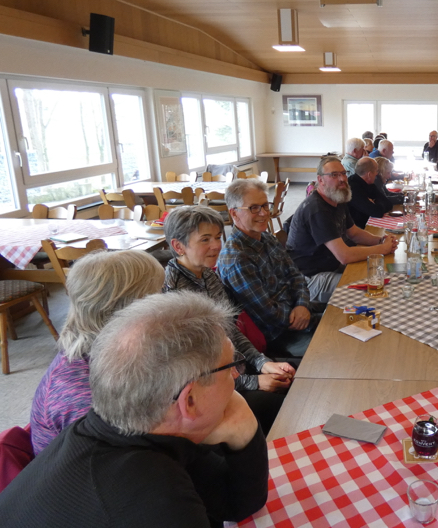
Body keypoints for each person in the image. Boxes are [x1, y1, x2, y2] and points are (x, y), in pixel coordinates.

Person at [0, 291, 270, 527]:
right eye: (230, 366)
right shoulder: (157, 502)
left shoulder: (139, 431)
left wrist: (244, 432)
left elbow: (235, 503)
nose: (236, 375)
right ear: (188, 401)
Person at [163, 205, 295, 432]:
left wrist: (262, 363)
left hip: (236, 369)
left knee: (296, 375)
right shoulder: (174, 296)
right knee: (287, 406)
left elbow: (231, 331)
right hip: (212, 391)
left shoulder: (208, 275)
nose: (216, 245)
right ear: (178, 246)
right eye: (205, 240)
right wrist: (253, 382)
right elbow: (194, 373)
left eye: (217, 237)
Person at [29, 250, 164, 455]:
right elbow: (126, 463)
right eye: (158, 295)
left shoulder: (112, 355)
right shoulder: (84, 400)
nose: (166, 303)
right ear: (126, 310)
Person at [218, 179, 317, 358]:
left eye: (265, 205)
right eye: (254, 208)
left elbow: (296, 275)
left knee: (346, 318)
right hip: (279, 335)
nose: (264, 213)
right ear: (234, 213)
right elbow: (268, 313)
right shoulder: (237, 259)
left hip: (298, 312)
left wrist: (302, 305)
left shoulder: (267, 238)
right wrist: (301, 314)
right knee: (334, 345)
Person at [287, 156, 398, 303]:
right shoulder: (317, 209)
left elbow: (354, 233)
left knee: (382, 275)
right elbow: (344, 256)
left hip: (331, 267)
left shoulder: (337, 198)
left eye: (343, 173)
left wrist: (380, 240)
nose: (342, 179)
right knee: (374, 286)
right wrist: (382, 249)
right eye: (334, 175)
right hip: (309, 280)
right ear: (320, 180)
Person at [347, 157, 394, 228]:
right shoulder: (353, 188)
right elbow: (377, 212)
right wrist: (377, 203)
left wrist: (375, 202)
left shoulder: (370, 184)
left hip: (369, 223)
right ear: (369, 174)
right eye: (376, 171)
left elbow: (388, 203)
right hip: (358, 228)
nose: (377, 174)